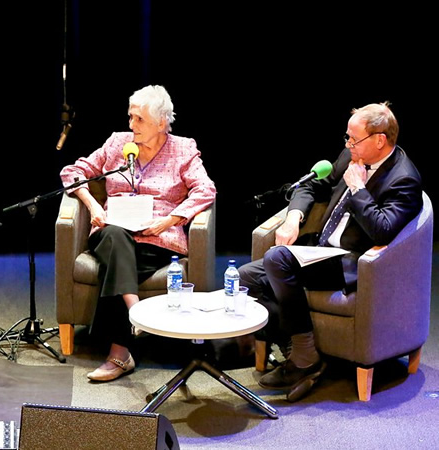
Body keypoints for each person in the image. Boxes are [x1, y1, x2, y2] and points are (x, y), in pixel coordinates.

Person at [239, 102, 422, 399]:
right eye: (347, 137)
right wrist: (293, 218)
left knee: (276, 259)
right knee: (245, 279)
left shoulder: (404, 179)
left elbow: (383, 231)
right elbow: (310, 186)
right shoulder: (351, 155)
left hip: (352, 262)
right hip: (320, 250)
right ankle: (300, 352)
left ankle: (303, 358)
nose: (348, 145)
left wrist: (358, 190)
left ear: (380, 139)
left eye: (354, 139)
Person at [60, 85, 216, 382]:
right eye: (130, 117)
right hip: (111, 231)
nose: (132, 126)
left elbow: (206, 190)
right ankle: (136, 313)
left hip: (156, 239)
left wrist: (169, 220)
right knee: (116, 238)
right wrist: (93, 204)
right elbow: (72, 172)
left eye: (139, 120)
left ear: (161, 122)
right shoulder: (118, 143)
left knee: (120, 262)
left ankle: (121, 352)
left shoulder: (183, 149)